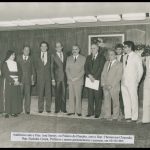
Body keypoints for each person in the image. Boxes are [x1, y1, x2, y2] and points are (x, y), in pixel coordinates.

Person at [121, 41, 143, 122]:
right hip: (124, 82)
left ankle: (134, 117)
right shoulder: (124, 57)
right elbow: (124, 69)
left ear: (130, 47)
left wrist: (137, 81)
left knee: (134, 99)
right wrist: (122, 79)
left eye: (125, 47)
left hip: (133, 82)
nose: (124, 49)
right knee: (126, 99)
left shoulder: (136, 56)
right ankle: (128, 116)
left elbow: (140, 70)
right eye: (123, 47)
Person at [84, 44, 106, 118]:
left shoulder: (102, 57)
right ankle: (90, 112)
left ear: (98, 49)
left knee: (98, 97)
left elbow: (101, 68)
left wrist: (94, 77)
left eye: (94, 48)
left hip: (97, 80)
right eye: (91, 48)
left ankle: (97, 113)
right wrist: (89, 75)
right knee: (90, 97)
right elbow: (86, 67)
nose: (92, 49)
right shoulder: (88, 57)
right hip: (89, 79)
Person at [101, 50, 123, 121]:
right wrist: (103, 83)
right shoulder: (106, 63)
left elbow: (118, 76)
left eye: (112, 54)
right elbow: (103, 74)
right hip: (105, 86)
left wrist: (111, 85)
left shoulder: (119, 64)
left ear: (115, 55)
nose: (110, 56)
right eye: (109, 54)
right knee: (107, 101)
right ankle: (108, 115)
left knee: (115, 102)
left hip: (114, 86)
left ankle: (115, 116)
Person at [66, 45, 86, 116]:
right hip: (70, 80)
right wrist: (70, 77)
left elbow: (84, 70)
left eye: (76, 49)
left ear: (79, 50)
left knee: (78, 96)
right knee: (71, 96)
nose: (74, 51)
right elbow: (67, 69)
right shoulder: (68, 58)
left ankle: (78, 111)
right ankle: (71, 110)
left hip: (79, 80)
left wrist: (77, 77)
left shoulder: (83, 58)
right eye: (73, 49)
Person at [2, 50, 22, 118]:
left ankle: (13, 111)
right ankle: (6, 112)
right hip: (8, 83)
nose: (13, 56)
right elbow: (6, 74)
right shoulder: (5, 63)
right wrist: (13, 81)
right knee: (8, 97)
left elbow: (20, 73)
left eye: (14, 55)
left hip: (16, 83)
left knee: (14, 97)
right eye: (12, 55)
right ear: (8, 55)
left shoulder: (16, 63)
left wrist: (18, 81)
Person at [17, 46, 36, 114]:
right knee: (19, 95)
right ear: (22, 50)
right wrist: (16, 79)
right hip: (20, 80)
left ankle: (27, 110)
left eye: (28, 50)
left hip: (28, 81)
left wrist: (33, 79)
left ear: (29, 51)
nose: (27, 51)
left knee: (28, 96)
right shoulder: (18, 58)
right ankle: (19, 109)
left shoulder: (31, 59)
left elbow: (33, 70)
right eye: (25, 50)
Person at [34, 41, 52, 113]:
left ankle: (48, 108)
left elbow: (52, 67)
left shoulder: (51, 55)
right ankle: (40, 109)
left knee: (48, 93)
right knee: (40, 93)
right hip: (40, 78)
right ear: (40, 47)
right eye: (42, 46)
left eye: (45, 46)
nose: (44, 47)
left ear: (47, 47)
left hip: (48, 77)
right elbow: (35, 67)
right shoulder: (36, 56)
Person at [51, 42, 67, 114]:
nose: (58, 48)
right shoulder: (53, 56)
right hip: (57, 78)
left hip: (64, 78)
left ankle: (63, 108)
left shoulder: (65, 55)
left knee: (64, 94)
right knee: (57, 94)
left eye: (59, 46)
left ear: (62, 47)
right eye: (57, 47)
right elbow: (51, 68)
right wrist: (53, 79)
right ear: (55, 48)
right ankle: (57, 109)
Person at [115, 43, 125, 119]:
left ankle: (124, 111)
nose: (118, 51)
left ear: (122, 50)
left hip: (122, 79)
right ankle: (115, 112)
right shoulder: (113, 57)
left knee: (122, 96)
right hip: (114, 80)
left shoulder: (124, 57)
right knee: (115, 96)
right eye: (117, 49)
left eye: (120, 49)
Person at [141, 49, 150, 123]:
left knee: (146, 101)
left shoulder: (145, 59)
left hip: (147, 80)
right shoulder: (145, 59)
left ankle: (146, 119)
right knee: (146, 101)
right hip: (147, 81)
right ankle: (145, 119)